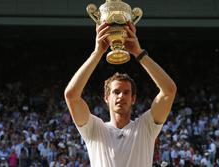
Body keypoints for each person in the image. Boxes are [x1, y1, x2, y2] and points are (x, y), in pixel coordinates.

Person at [64, 21, 177, 167]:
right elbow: (71, 95)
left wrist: (139, 53)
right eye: (116, 92)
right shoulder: (95, 129)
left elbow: (169, 90)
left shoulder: (145, 127)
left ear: (133, 99)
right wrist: (97, 53)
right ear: (106, 98)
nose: (121, 96)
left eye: (126, 92)